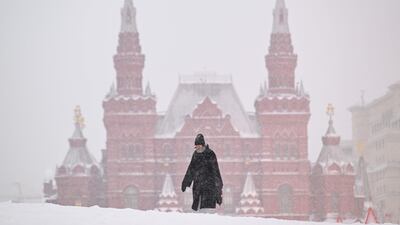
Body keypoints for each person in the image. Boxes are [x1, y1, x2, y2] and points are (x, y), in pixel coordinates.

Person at [181, 133, 223, 212]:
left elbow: (216, 172)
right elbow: (191, 170)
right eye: (195, 146)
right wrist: (185, 182)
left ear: (202, 145)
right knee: (198, 210)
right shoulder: (195, 155)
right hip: (198, 187)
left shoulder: (210, 154)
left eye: (197, 146)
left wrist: (218, 190)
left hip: (209, 188)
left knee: (207, 211)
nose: (196, 148)